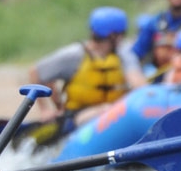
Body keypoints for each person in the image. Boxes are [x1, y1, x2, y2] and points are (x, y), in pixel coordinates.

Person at [28, 7, 145, 135]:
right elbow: (35, 73)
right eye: (122, 34)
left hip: (118, 113)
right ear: (113, 35)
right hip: (79, 116)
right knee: (106, 110)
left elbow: (138, 83)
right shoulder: (74, 55)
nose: (122, 38)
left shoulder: (123, 54)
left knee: (110, 110)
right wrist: (47, 109)